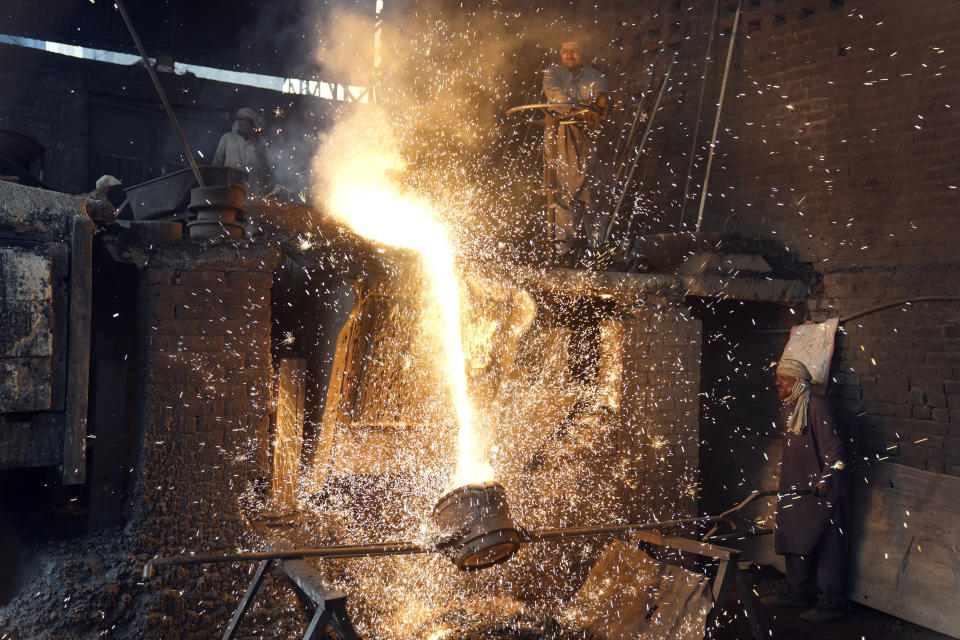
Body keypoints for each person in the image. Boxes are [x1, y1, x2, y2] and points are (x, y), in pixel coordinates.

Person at [761, 358, 848, 622]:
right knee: (794, 537)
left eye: (783, 379)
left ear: (797, 382)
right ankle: (797, 592)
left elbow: (836, 451)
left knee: (827, 543)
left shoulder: (817, 407)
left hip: (822, 491)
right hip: (796, 487)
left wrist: (827, 479)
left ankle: (830, 603)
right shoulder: (789, 408)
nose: (777, 382)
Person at [542, 37, 609, 265]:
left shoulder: (596, 77)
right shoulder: (553, 72)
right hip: (560, 136)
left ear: (583, 53)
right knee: (563, 194)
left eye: (574, 50)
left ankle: (597, 250)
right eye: (565, 50)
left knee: (595, 192)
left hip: (587, 138)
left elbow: (601, 99)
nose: (569, 54)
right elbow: (554, 95)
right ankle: (564, 252)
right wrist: (580, 109)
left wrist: (598, 106)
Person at [213, 107, 270, 197]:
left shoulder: (261, 142)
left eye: (246, 120)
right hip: (230, 189)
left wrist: (256, 142)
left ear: (252, 123)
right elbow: (216, 164)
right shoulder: (227, 138)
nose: (242, 123)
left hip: (252, 191)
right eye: (240, 120)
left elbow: (266, 168)